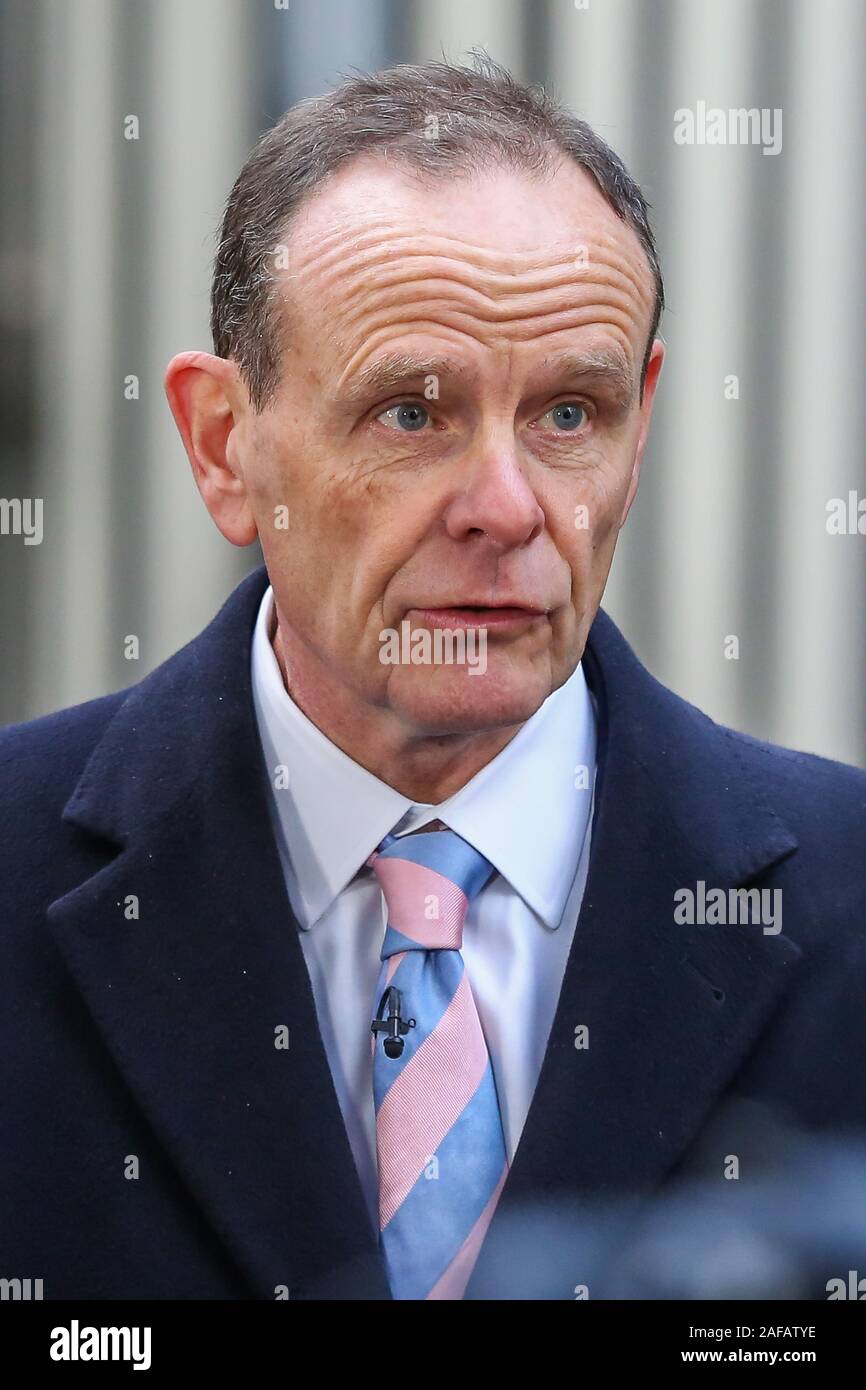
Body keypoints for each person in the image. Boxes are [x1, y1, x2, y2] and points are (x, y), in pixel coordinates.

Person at [2, 58, 864, 1302]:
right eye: (411, 415)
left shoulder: (838, 904)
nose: (507, 510)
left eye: (570, 413)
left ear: (642, 421)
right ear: (223, 445)